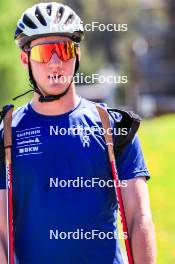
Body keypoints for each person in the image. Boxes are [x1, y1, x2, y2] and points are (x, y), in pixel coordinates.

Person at [0, 2, 156, 264]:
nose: (55, 62)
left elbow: (138, 218)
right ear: (25, 58)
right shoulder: (6, 135)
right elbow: (1, 233)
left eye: (63, 49)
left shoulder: (115, 128)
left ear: (77, 54)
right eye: (43, 52)